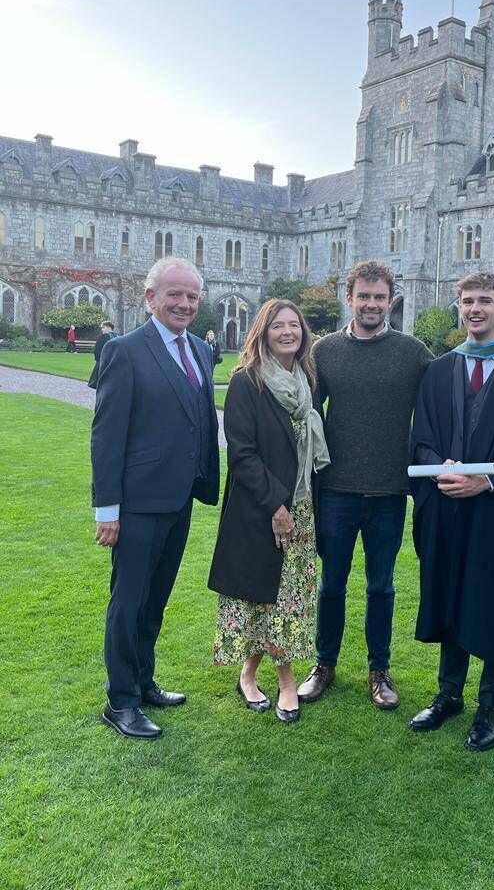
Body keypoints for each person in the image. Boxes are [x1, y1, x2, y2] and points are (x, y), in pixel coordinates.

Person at [409, 272, 494, 751]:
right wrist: (440, 470)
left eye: (485, 301)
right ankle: (448, 693)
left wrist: (487, 479)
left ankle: (490, 705)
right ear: (459, 306)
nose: (475, 309)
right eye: (467, 301)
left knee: (492, 602)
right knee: (448, 591)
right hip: (445, 505)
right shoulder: (440, 370)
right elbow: (420, 439)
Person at [91, 258, 220, 739]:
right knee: (128, 601)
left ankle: (143, 682)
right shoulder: (125, 351)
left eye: (192, 297)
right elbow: (106, 436)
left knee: (155, 600)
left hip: (179, 499)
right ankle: (120, 701)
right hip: (137, 504)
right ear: (150, 298)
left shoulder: (202, 352)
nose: (184, 304)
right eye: (174, 295)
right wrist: (108, 510)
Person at [297, 260, 432, 710]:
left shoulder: (413, 352)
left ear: (390, 300)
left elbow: (451, 391)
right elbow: (303, 413)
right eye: (364, 296)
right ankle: (324, 664)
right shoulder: (324, 351)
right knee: (331, 583)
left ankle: (379, 669)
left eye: (379, 297)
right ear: (348, 298)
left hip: (389, 492)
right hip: (335, 489)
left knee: (381, 586)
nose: (372, 304)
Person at [208, 299, 330, 723]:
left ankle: (249, 672)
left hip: (302, 507)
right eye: (277, 326)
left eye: (294, 325)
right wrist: (277, 506)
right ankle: (286, 683)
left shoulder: (306, 380)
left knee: (288, 599)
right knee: (263, 597)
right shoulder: (247, 381)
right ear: (263, 332)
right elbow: (242, 454)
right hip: (260, 508)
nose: (287, 333)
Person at [87, 321, 117, 389]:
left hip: (103, 362)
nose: (102, 330)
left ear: (108, 327)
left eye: (103, 327)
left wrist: (98, 359)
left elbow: (97, 350)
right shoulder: (118, 336)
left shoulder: (103, 337)